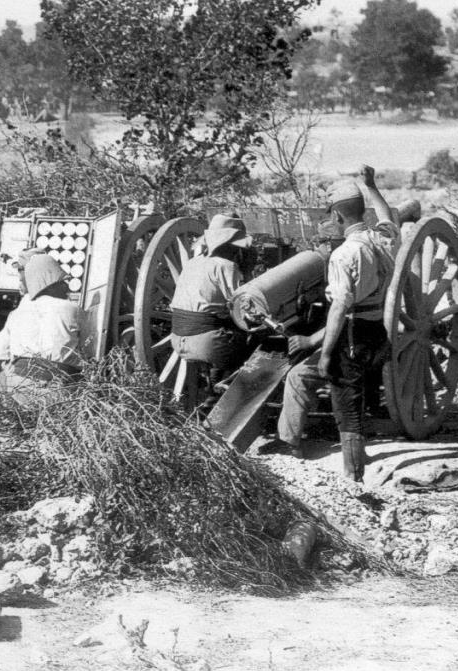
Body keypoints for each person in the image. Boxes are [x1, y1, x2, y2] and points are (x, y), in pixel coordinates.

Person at [274, 166, 399, 482]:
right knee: (353, 399)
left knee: (346, 408)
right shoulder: (383, 239)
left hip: (352, 333)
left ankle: (353, 478)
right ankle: (354, 468)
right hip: (378, 330)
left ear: (338, 218)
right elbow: (387, 217)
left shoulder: (343, 255)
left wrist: (323, 351)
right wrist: (372, 185)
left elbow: (340, 307)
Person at [0, 254, 82, 406]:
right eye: (62, 283)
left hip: (20, 389)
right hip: (59, 390)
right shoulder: (73, 309)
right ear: (51, 283)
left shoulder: (17, 313)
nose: (66, 288)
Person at [169, 213, 251, 379]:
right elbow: (241, 307)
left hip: (177, 339)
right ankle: (228, 383)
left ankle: (212, 387)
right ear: (232, 243)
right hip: (208, 343)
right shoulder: (227, 266)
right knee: (252, 340)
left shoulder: (192, 263)